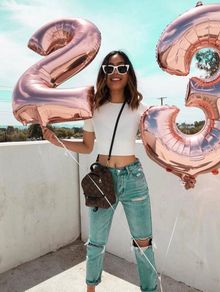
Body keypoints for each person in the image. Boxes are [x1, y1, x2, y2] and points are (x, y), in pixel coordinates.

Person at [42, 50, 158, 292]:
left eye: (121, 68)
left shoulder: (140, 108)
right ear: (103, 73)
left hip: (133, 177)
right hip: (103, 177)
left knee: (143, 243)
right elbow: (86, 146)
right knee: (96, 243)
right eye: (109, 68)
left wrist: (183, 170)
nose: (115, 73)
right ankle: (90, 289)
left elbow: (156, 147)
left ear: (129, 73)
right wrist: (58, 141)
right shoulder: (92, 108)